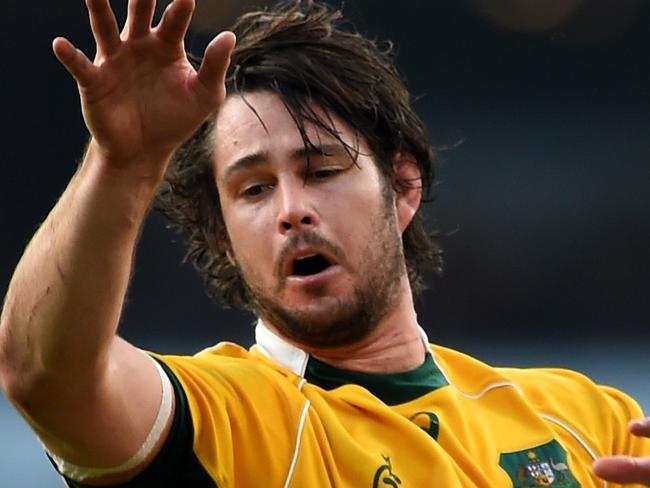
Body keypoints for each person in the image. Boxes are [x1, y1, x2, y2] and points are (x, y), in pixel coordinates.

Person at [0, 0, 648, 486]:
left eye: (321, 170)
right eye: (252, 190)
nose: (291, 211)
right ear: (222, 241)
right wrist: (124, 162)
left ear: (403, 187)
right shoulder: (233, 420)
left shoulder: (589, 417)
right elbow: (43, 374)